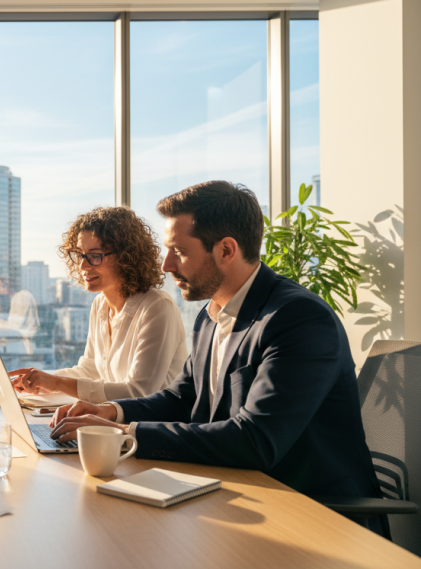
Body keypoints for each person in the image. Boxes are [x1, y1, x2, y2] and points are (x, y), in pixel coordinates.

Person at [49, 181, 380, 502]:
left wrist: (126, 435)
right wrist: (111, 412)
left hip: (308, 508)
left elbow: (256, 440)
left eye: (178, 251)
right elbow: (183, 397)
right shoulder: (212, 314)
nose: (166, 265)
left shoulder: (298, 318)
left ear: (226, 250)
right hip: (232, 490)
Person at [10, 207, 187, 403]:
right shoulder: (100, 305)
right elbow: (90, 370)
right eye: (80, 255)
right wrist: (41, 381)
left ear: (127, 257)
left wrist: (57, 383)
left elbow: (140, 391)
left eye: (95, 256)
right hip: (111, 424)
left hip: (150, 428)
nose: (83, 266)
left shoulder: (157, 307)